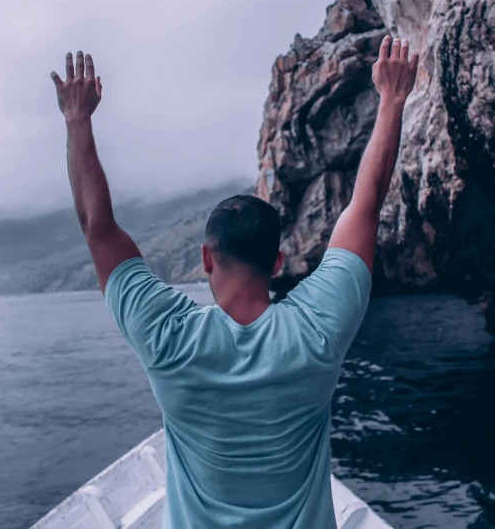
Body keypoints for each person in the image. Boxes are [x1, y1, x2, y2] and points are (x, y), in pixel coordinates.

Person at [50, 34, 418, 529]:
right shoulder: (317, 331)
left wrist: (78, 121)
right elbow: (366, 205)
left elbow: (98, 227)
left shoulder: (168, 338)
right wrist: (393, 99)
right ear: (277, 263)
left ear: (205, 258)